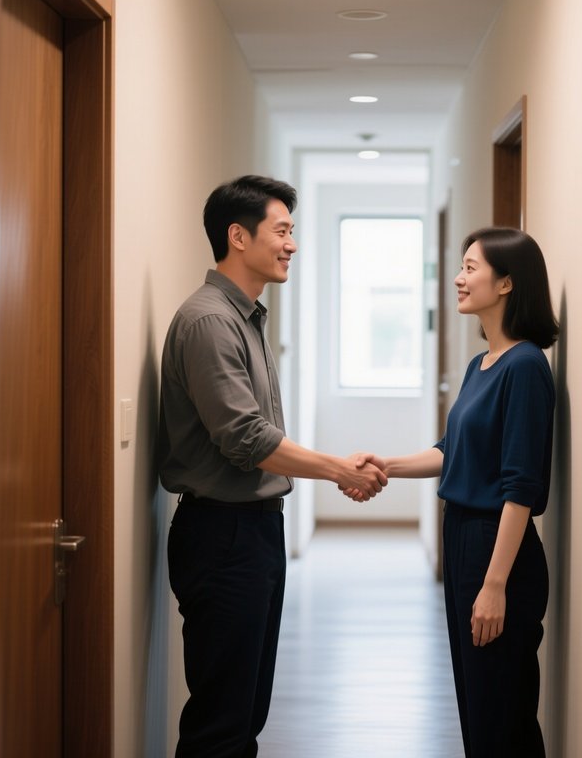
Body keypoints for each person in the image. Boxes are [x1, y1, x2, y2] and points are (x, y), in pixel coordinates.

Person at [158, 174, 387, 758]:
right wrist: (340, 469)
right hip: (222, 535)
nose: (292, 244)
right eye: (282, 230)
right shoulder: (211, 321)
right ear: (238, 235)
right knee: (223, 718)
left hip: (251, 529)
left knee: (246, 707)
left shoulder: (246, 316)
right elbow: (246, 438)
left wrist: (337, 467)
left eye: (293, 231)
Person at [345, 226, 558, 757]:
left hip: (496, 548)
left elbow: (520, 487)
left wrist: (495, 584)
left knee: (501, 716)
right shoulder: (480, 364)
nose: (458, 279)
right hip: (464, 537)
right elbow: (451, 450)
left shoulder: (526, 366)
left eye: (470, 267)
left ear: (507, 283)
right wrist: (385, 464)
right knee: (478, 705)